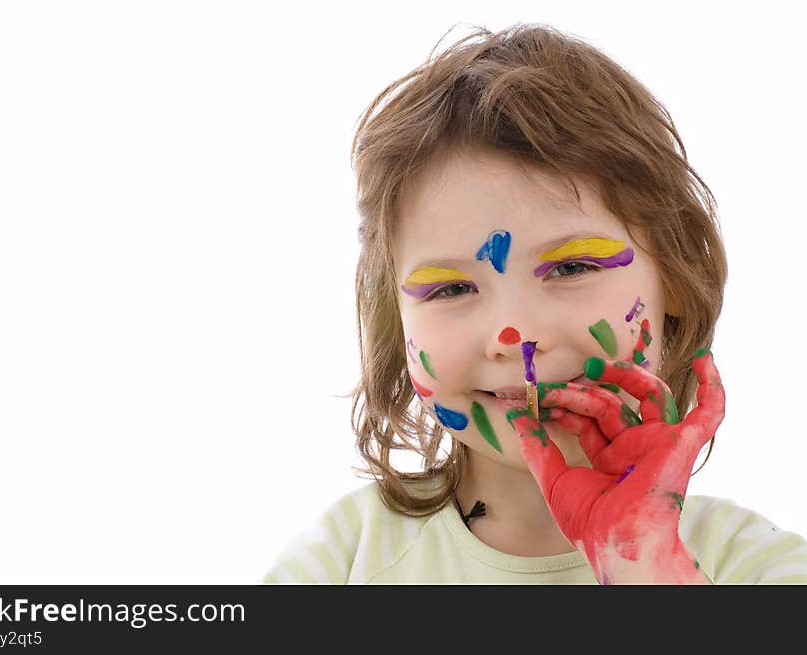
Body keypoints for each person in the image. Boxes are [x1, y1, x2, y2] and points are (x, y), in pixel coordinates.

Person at [262, 22, 807, 584]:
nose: (515, 335)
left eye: (571, 267)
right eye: (450, 288)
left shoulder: (755, 568)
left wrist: (645, 564)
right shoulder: (336, 566)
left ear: (674, 278)